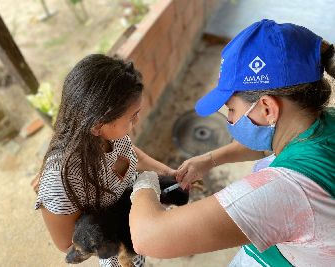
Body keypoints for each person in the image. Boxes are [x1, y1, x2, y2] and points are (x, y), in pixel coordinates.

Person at [129, 19, 335, 266]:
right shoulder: (321, 123)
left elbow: (148, 237)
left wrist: (145, 180)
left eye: (231, 109)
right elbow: (273, 141)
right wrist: (210, 159)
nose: (229, 118)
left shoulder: (282, 192)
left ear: (268, 108)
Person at [34, 54, 176, 267]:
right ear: (98, 125)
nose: (136, 121)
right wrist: (127, 243)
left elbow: (132, 154)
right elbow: (67, 245)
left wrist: (168, 173)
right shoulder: (60, 181)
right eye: (132, 117)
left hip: (136, 222)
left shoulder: (112, 136)